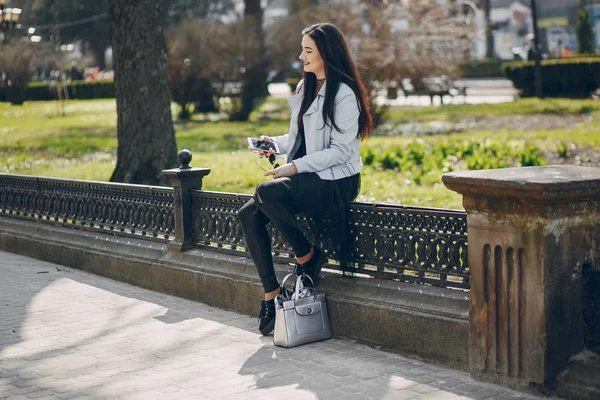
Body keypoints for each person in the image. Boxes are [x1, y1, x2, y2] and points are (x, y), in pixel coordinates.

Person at [238, 22, 373, 336]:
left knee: (266, 192)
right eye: (302, 49)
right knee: (248, 213)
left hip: (336, 180)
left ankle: (308, 255)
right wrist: (273, 143)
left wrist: (293, 168)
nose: (301, 56)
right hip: (310, 174)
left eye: (308, 50)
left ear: (327, 53)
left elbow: (340, 152)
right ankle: (271, 295)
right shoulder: (305, 87)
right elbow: (298, 137)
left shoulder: (344, 94)